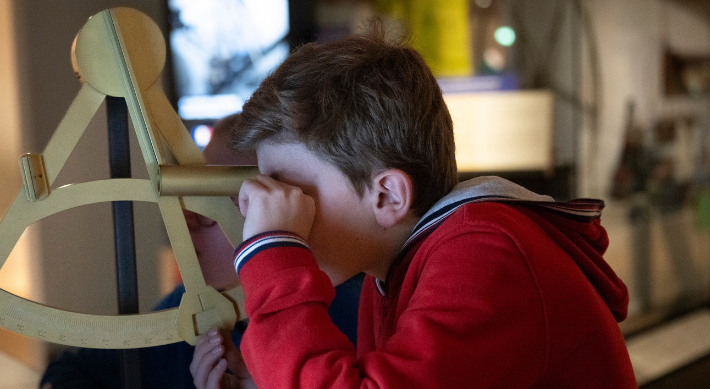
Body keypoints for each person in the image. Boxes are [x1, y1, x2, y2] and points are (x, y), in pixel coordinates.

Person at [190, 28, 636, 388]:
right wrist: (264, 378)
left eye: (287, 188)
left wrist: (273, 250)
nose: (267, 209)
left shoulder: (485, 253)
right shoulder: (391, 271)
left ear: (388, 197)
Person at [40, 114, 363, 389]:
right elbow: (69, 372)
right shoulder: (192, 304)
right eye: (192, 199)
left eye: (213, 202)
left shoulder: (358, 315)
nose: (185, 221)